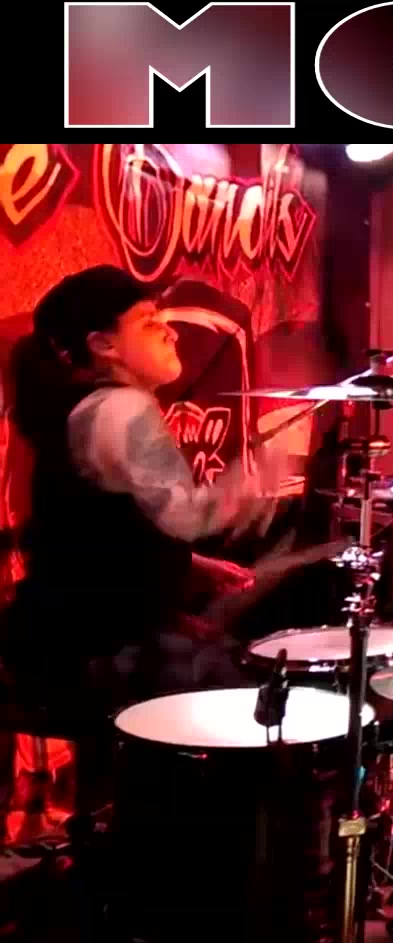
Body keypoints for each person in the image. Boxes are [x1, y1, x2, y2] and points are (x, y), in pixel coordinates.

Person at [0, 265, 292, 720]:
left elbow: (100, 534)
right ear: (103, 345)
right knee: (257, 708)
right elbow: (192, 517)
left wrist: (190, 562)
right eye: (149, 323)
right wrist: (258, 479)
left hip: (75, 633)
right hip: (91, 650)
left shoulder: (96, 408)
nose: (170, 333)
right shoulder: (117, 411)